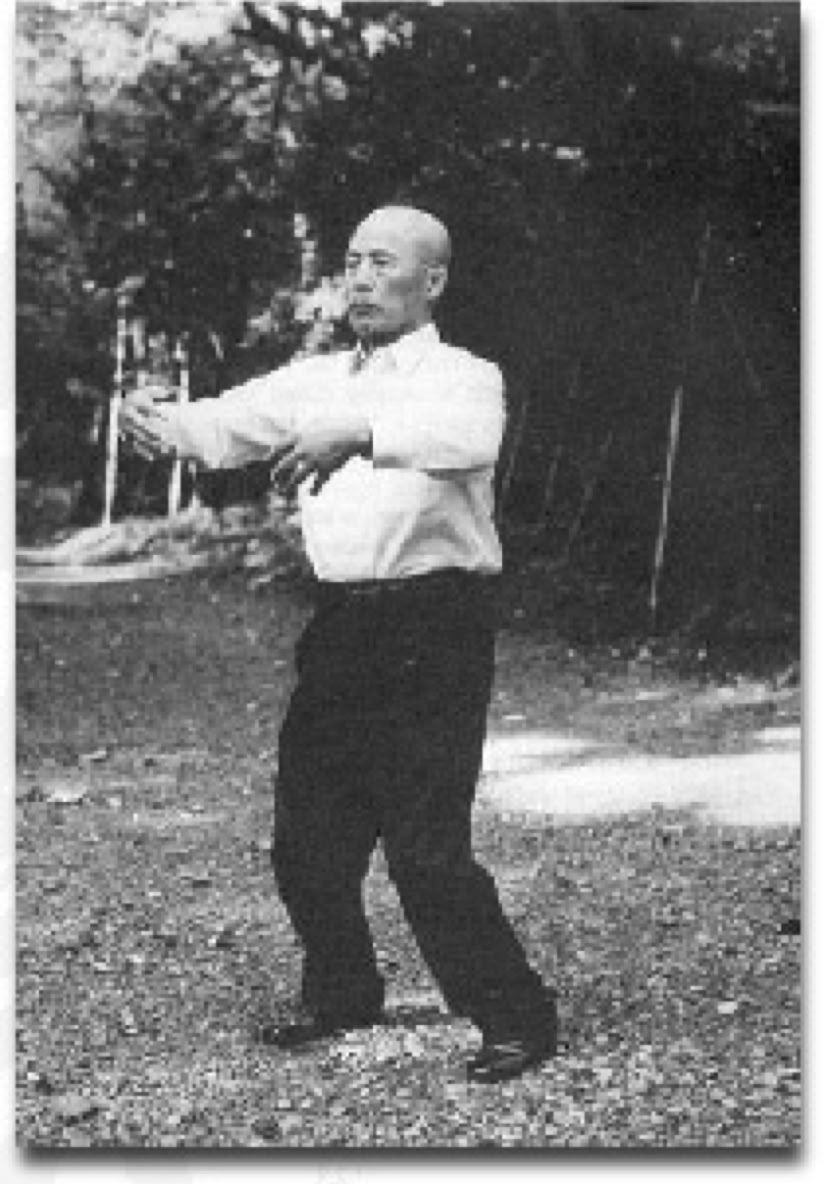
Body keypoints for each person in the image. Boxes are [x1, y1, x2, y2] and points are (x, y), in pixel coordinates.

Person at [120, 205, 557, 1083]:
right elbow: (217, 429)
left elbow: (469, 442)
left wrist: (360, 432)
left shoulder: (465, 376)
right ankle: (344, 989)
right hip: (344, 625)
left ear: (430, 280)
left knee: (425, 848)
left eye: (380, 262)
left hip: (438, 624)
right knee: (306, 837)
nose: (358, 278)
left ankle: (516, 1013)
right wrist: (157, 420)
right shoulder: (314, 379)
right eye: (350, 262)